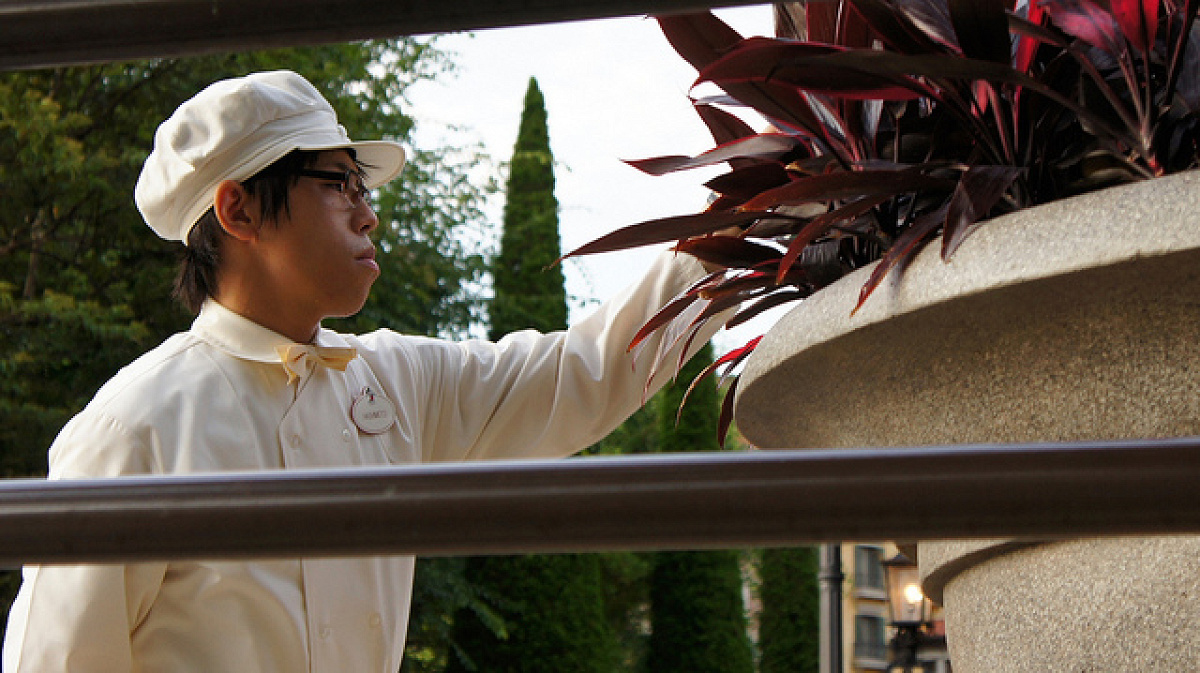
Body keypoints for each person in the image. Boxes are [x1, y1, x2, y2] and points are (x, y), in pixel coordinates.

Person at [1, 70, 727, 672]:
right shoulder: (134, 427)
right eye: (340, 183)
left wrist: (748, 224)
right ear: (239, 208)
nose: (368, 214)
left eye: (364, 189)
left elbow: (585, 371)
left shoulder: (394, 380)